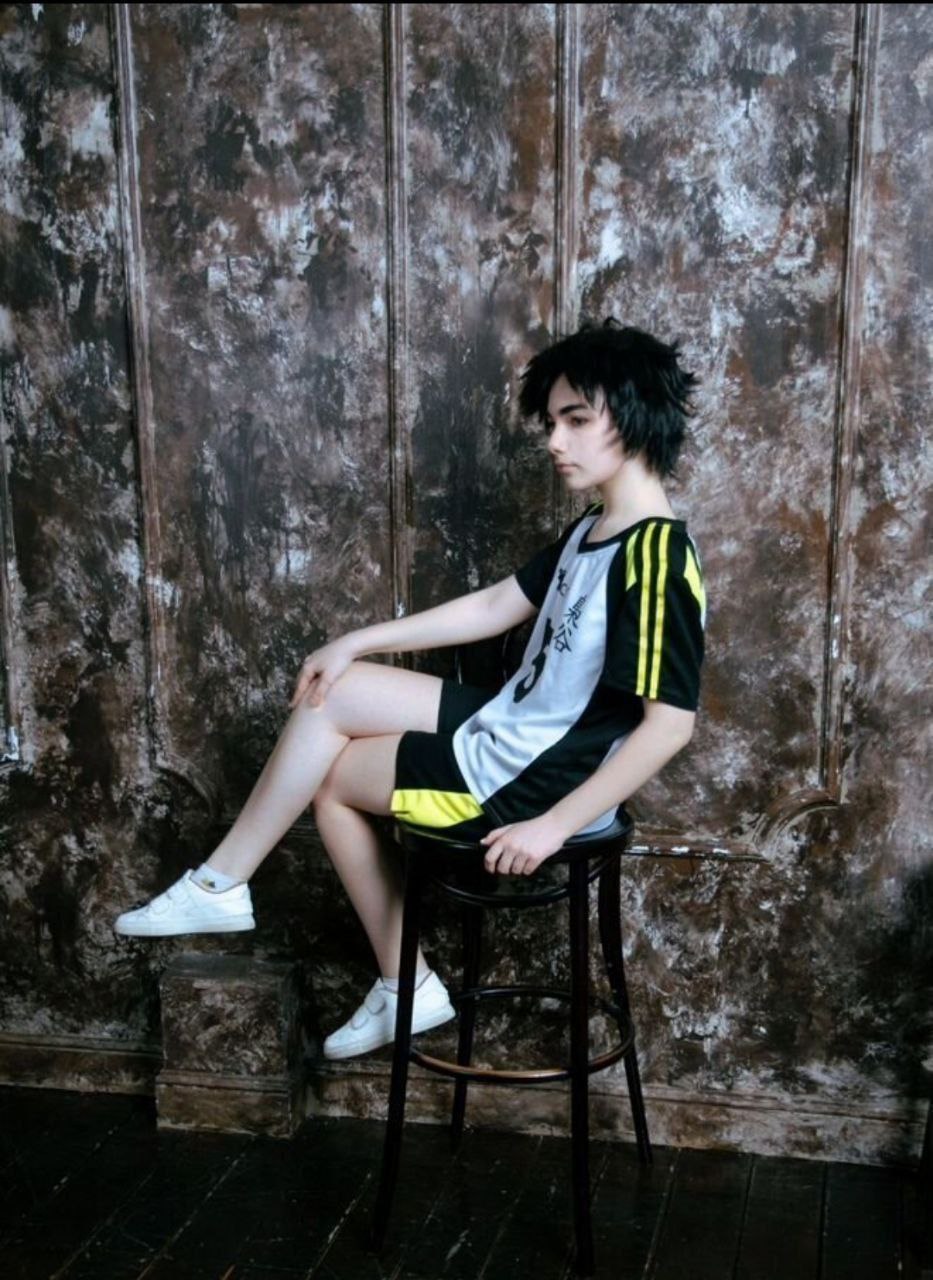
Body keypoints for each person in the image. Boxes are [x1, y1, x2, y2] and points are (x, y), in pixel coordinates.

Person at [114, 318, 707, 1062]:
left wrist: (553, 826)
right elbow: (495, 607)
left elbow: (669, 725)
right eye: (552, 422)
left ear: (637, 416)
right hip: (515, 724)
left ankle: (401, 980)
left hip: (534, 776)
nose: (554, 441)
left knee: (329, 779)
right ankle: (223, 883)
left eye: (576, 421)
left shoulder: (655, 558)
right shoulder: (597, 527)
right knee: (336, 690)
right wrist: (355, 640)